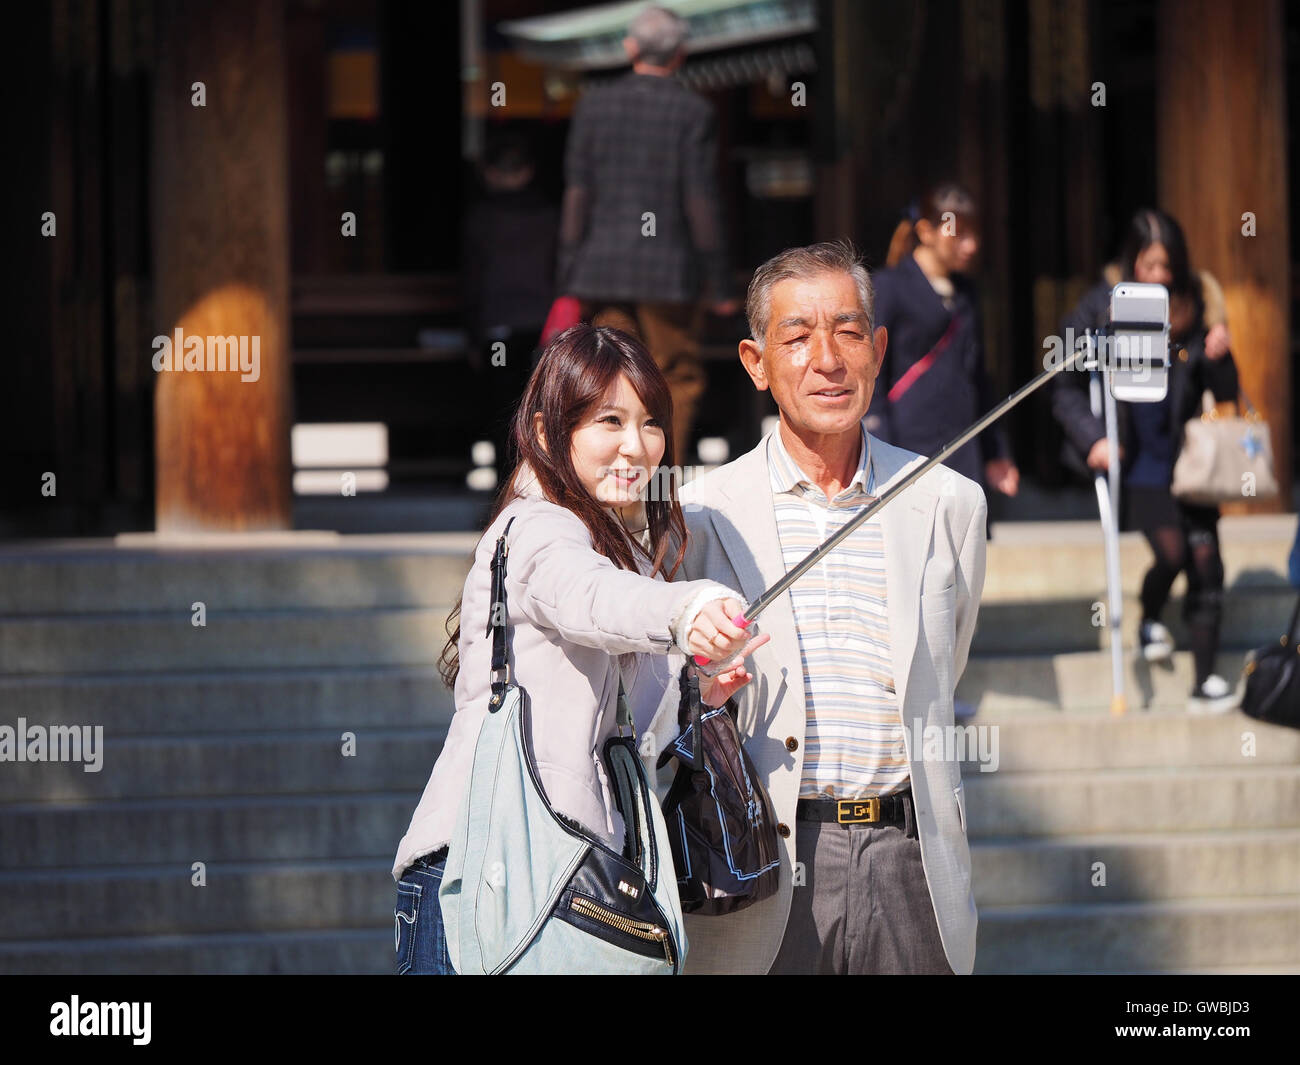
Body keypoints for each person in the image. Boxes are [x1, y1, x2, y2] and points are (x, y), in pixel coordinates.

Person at [646, 241, 987, 974]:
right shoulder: (704, 512)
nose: (828, 359)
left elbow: (945, 661)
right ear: (755, 361)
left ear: (879, 349)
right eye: (797, 337)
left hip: (909, 858)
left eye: (849, 331)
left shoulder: (948, 502)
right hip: (765, 860)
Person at [391, 323, 767, 974]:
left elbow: (624, 733)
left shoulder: (622, 552)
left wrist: (697, 691)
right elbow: (589, 597)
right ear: (545, 433)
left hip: (564, 869)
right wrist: (688, 605)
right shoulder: (538, 527)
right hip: (489, 870)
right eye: (609, 420)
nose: (636, 445)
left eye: (650, 423)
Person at [1052, 208, 1240, 714]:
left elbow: (1225, 392)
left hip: (1188, 457)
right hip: (1135, 460)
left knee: (1208, 560)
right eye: (1150, 263)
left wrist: (1222, 356)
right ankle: (1149, 615)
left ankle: (1203, 682)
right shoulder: (1099, 306)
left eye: (1167, 265)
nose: (1159, 275)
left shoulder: (1195, 306)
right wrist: (1092, 439)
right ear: (1131, 259)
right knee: (1175, 553)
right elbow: (1064, 384)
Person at [556, 4, 739, 463]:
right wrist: (718, 280)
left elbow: (577, 192)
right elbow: (700, 198)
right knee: (675, 374)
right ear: (680, 54)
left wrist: (567, 268)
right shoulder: (692, 110)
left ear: (630, 47)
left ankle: (608, 477)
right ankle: (659, 485)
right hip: (669, 270)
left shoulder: (593, 106)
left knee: (608, 373)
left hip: (601, 267)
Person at [867, 183, 1019, 501]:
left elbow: (977, 375)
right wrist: (878, 445)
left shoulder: (967, 292)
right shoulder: (890, 286)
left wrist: (995, 450)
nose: (971, 245)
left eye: (973, 233)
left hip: (963, 444)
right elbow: (872, 375)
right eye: (958, 233)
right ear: (926, 230)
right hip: (905, 446)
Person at [463, 133, 559, 482]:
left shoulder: (480, 218)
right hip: (543, 326)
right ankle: (540, 484)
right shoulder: (551, 215)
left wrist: (472, 335)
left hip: (496, 325)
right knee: (541, 411)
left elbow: (474, 281)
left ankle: (506, 488)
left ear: (487, 172)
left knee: (502, 412)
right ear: (528, 171)